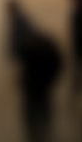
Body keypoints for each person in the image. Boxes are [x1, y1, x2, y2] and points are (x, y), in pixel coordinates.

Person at [13, 13, 63, 142]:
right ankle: (44, 126)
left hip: (32, 87)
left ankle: (33, 133)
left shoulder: (28, 50)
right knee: (44, 105)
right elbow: (58, 63)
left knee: (30, 111)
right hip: (44, 85)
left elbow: (24, 70)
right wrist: (52, 80)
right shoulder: (49, 47)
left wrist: (21, 80)